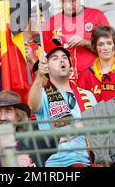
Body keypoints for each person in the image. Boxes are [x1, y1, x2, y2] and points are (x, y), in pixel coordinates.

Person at [28, 39, 97, 167]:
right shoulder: (42, 94)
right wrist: (39, 76)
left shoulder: (88, 96)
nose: (61, 60)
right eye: (54, 58)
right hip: (57, 163)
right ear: (46, 67)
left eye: (64, 57)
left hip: (89, 161)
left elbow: (99, 131)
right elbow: (32, 106)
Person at [43, 0, 109, 81]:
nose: (68, 6)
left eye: (72, 1)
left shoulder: (97, 16)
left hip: (95, 79)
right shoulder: (51, 23)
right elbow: (45, 57)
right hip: (64, 82)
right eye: (64, 1)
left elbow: (110, 51)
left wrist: (86, 43)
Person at [0, 90, 56, 167]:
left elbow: (64, 137)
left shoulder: (36, 136)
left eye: (8, 111)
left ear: (18, 116)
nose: (2, 118)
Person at [78, 25, 115, 107]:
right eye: (101, 44)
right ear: (95, 47)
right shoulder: (86, 75)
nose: (105, 48)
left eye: (109, 43)